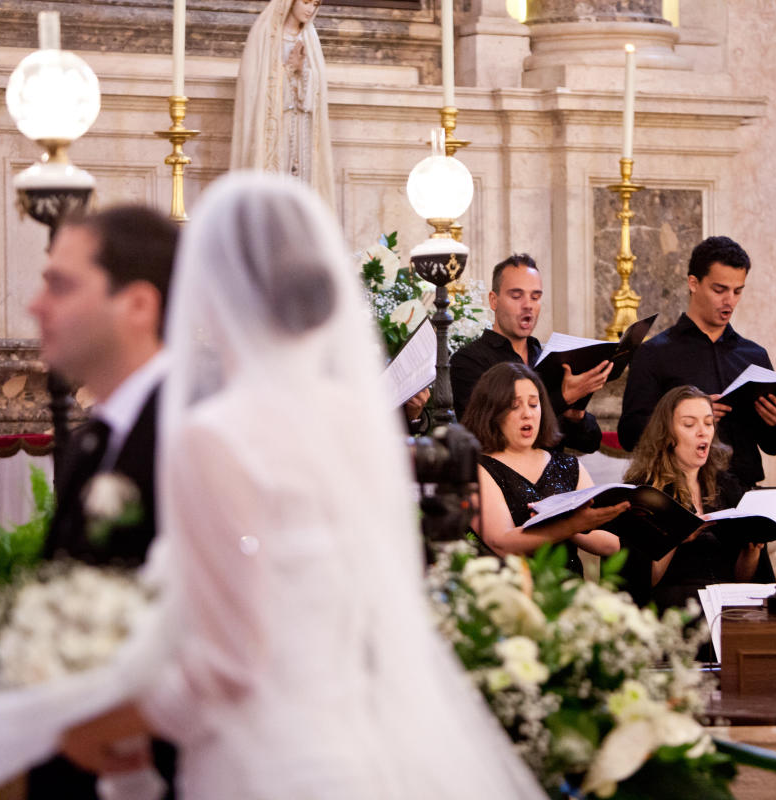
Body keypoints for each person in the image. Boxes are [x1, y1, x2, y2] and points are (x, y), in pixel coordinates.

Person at [58, 173, 547, 799]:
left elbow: (231, 662)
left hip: (255, 762)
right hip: (354, 742)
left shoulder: (215, 436)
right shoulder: (353, 420)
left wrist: (105, 722)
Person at [26, 205, 179, 800]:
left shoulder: (192, 434)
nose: (36, 305)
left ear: (137, 305)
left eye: (60, 284)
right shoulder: (96, 437)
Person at [618, 236, 776, 489]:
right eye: (719, 290)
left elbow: (773, 445)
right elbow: (629, 434)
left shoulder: (753, 355)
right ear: (694, 283)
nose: (730, 301)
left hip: (743, 489)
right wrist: (689, 418)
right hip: (678, 492)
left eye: (738, 291)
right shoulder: (654, 353)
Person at [462, 362, 623, 572]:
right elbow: (501, 543)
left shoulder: (568, 465)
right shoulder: (477, 468)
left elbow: (611, 544)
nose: (527, 414)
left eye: (533, 403)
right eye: (514, 405)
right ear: (491, 412)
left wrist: (572, 525)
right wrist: (568, 525)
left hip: (568, 590)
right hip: (508, 589)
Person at [622, 386, 765, 610]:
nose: (703, 432)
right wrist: (677, 537)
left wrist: (752, 551)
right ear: (667, 434)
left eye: (708, 423)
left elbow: (742, 582)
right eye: (689, 424)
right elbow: (638, 585)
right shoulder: (645, 492)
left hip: (727, 610)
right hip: (673, 613)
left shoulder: (728, 487)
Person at [450, 254, 608, 453]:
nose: (528, 305)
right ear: (493, 300)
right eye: (516, 296)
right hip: (500, 479)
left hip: (552, 477)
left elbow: (589, 443)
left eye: (535, 297)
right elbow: (485, 432)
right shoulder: (468, 360)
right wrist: (563, 398)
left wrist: (576, 416)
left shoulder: (549, 359)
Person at [231, 0, 335, 212]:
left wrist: (303, 72)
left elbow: (317, 86)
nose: (310, 9)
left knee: (302, 186)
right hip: (274, 127)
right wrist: (288, 70)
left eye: (315, 4)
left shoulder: (309, 37)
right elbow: (254, 85)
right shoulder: (265, 34)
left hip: (302, 126)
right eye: (305, 2)